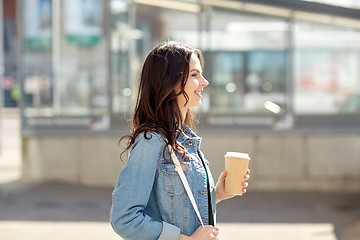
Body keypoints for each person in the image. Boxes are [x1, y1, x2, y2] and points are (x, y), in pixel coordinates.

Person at [110, 41, 250, 240]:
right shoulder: (151, 141)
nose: (204, 82)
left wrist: (216, 194)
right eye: (194, 75)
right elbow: (125, 219)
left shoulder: (185, 140)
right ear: (169, 81)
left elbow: (177, 207)